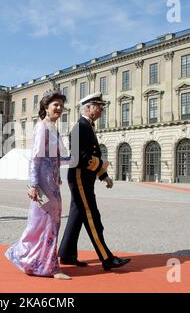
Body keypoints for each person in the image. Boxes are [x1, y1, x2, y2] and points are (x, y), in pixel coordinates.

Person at [58, 92, 131, 271]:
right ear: (88, 107)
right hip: (80, 179)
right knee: (92, 218)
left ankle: (67, 255)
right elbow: (80, 157)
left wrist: (103, 175)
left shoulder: (87, 126)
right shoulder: (79, 127)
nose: (101, 110)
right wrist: (102, 164)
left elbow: (92, 155)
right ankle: (107, 258)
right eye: (99, 106)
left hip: (85, 178)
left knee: (76, 218)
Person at [5, 89, 71, 280]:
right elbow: (35, 159)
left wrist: (76, 159)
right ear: (46, 107)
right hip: (43, 184)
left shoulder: (53, 128)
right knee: (44, 223)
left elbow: (58, 158)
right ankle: (48, 267)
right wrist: (33, 185)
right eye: (55, 105)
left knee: (52, 223)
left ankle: (38, 262)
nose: (59, 108)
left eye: (61, 105)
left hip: (53, 184)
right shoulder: (42, 128)